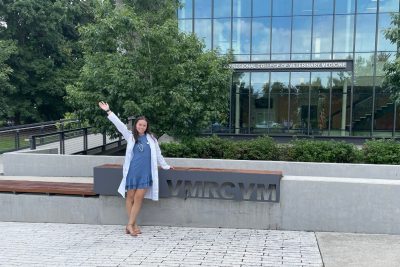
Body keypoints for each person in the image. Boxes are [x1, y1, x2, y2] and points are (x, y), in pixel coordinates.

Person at [98, 101, 173, 236]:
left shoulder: (152, 139)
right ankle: (133, 224)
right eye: (140, 125)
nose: (142, 127)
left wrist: (166, 166)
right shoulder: (131, 136)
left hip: (145, 173)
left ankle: (129, 225)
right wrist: (108, 111)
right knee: (130, 197)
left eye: (144, 125)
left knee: (139, 198)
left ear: (147, 127)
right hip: (133, 172)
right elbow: (120, 126)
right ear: (136, 125)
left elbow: (158, 155)